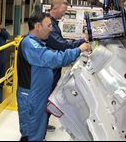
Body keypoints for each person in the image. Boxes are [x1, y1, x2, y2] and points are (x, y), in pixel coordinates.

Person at [16, 12, 91, 141]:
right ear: (38, 26)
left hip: (38, 96)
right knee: (31, 133)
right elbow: (54, 59)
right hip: (31, 98)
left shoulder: (38, 42)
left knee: (38, 129)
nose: (51, 29)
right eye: (49, 25)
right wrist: (79, 49)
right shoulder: (30, 44)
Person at [44, 0, 88, 132]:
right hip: (49, 68)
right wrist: (81, 43)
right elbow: (60, 45)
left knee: (49, 97)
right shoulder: (49, 25)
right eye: (63, 11)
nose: (64, 14)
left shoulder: (55, 23)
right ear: (55, 8)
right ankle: (40, 131)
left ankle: (44, 125)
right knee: (45, 98)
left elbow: (60, 42)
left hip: (54, 66)